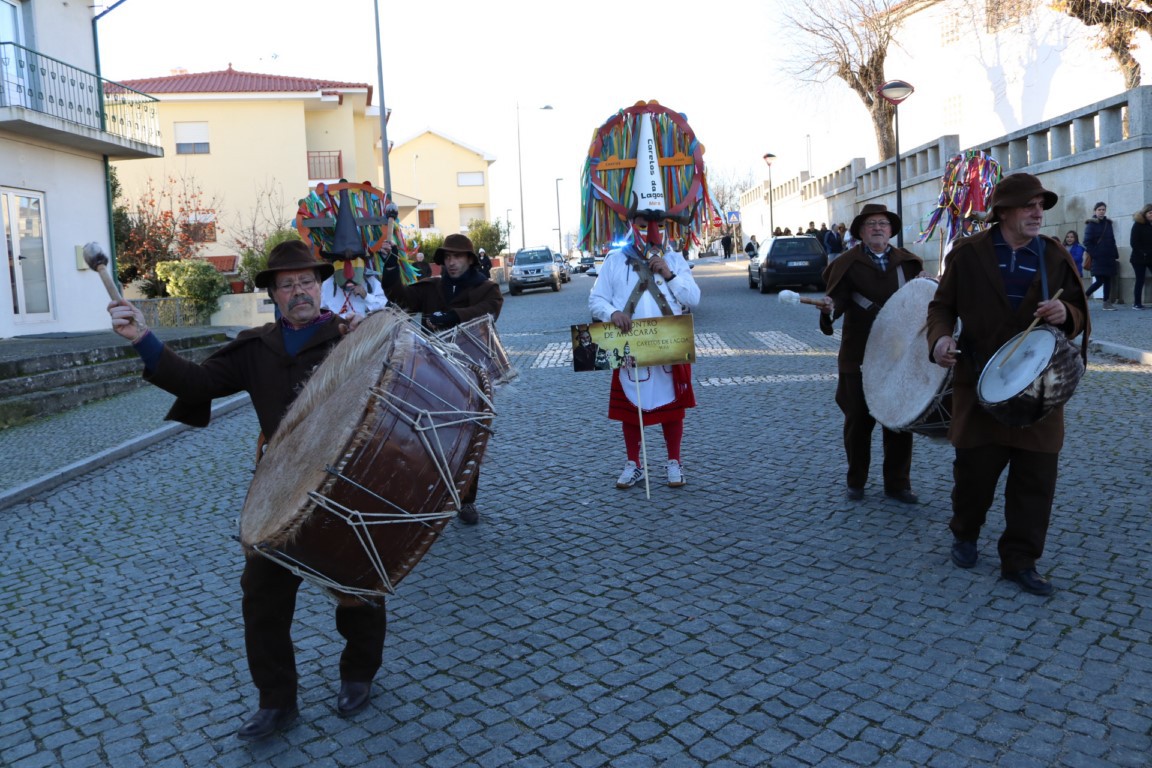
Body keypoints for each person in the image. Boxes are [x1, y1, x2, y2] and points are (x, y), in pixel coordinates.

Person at [106, 241, 384, 741]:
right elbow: (196, 383)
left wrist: (379, 339)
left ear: (319, 286)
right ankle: (277, 702)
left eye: (305, 281)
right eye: (287, 284)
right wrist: (141, 338)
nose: (298, 291)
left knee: (358, 589)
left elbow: (399, 384)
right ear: (273, 294)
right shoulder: (257, 349)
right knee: (261, 599)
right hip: (278, 493)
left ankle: (358, 673)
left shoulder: (351, 338)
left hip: (343, 490)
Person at [927, 173, 1089, 597]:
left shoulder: (1053, 255)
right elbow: (941, 306)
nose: (1038, 213)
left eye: (1041, 205)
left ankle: (1020, 560)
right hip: (978, 382)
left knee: (1036, 478)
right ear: (1003, 212)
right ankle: (965, 532)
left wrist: (1065, 313)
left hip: (1040, 387)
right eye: (1028, 205)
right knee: (974, 475)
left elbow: (1081, 312)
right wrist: (941, 339)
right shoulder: (967, 254)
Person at [381, 233, 502, 524]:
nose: (451, 263)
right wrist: (390, 265)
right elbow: (400, 298)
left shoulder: (487, 289)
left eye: (457, 257)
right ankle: (428, 496)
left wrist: (455, 316)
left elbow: (490, 311)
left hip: (471, 375)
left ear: (469, 260)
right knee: (425, 436)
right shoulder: (431, 288)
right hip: (430, 374)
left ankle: (467, 500)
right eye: (447, 258)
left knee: (469, 438)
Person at [818, 203, 924, 504]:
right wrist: (829, 310)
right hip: (859, 355)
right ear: (860, 231)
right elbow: (836, 301)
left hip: (900, 355)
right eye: (871, 224)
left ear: (891, 230)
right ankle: (857, 480)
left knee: (900, 421)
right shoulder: (847, 264)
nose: (878, 228)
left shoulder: (908, 263)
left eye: (883, 223)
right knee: (858, 422)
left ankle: (898, 483)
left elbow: (923, 303)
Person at [589, 218, 701, 490]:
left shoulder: (674, 260)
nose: (652, 232)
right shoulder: (615, 260)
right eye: (643, 224)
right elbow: (596, 299)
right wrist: (612, 313)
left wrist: (670, 275)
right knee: (631, 408)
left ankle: (674, 461)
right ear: (630, 225)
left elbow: (693, 299)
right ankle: (633, 463)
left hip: (668, 346)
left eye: (660, 224)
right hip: (630, 347)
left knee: (672, 407)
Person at [1084, 201, 1120, 309]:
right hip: (1098, 257)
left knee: (1108, 279)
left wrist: (1114, 253)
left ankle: (1106, 303)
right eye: (1099, 209)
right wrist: (1096, 254)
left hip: (1109, 256)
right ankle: (1084, 296)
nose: (1101, 211)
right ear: (1095, 211)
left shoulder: (1108, 223)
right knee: (1099, 281)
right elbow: (1087, 242)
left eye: (1103, 209)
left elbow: (1112, 240)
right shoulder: (1091, 224)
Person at [320, 272, 387, 321]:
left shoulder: (371, 282)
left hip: (365, 331)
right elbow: (321, 311)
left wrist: (366, 296)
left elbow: (385, 306)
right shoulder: (327, 284)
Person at [1128, 204, 1152, 309]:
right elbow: (1133, 242)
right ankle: (1137, 303)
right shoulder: (1138, 225)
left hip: (1150, 257)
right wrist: (1143, 253)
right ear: (1145, 213)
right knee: (1140, 280)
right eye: (1150, 213)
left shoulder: (1150, 225)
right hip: (1139, 258)